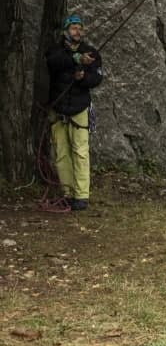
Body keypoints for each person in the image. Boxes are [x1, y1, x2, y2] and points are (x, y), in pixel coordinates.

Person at [46, 13, 103, 210]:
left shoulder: (91, 52)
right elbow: (54, 62)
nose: (77, 31)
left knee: (80, 152)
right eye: (73, 28)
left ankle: (81, 196)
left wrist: (82, 78)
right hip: (59, 107)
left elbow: (96, 79)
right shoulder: (56, 50)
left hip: (79, 107)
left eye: (80, 28)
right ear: (66, 31)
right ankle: (67, 193)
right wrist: (76, 59)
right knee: (61, 154)